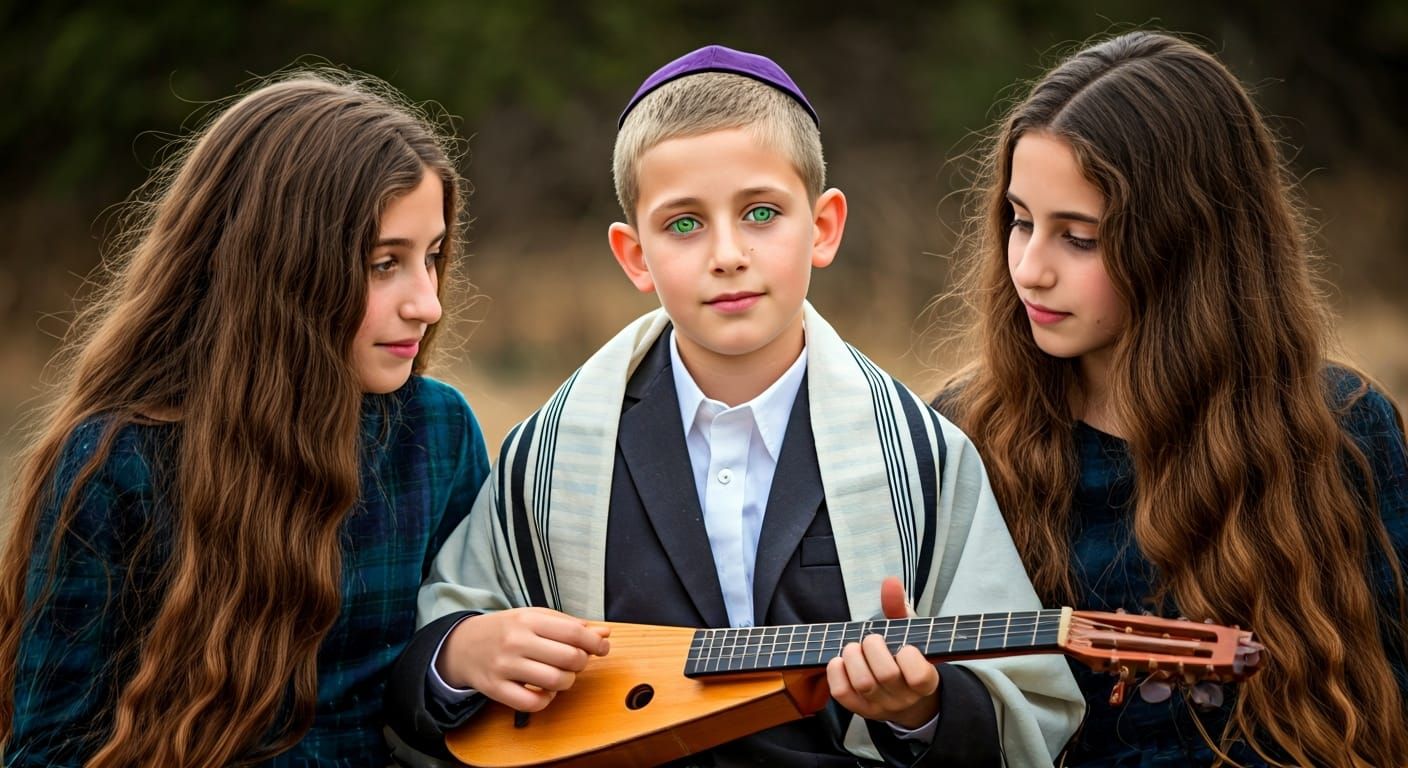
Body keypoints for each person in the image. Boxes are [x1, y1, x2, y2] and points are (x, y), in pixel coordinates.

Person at [386, 45, 1083, 767]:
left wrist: (919, 713)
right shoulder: (552, 456)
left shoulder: (923, 458)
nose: (726, 254)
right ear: (633, 255)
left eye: (760, 213)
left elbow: (1027, 704)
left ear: (823, 228)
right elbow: (430, 658)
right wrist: (460, 652)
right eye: (683, 224)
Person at [931, 30, 1408, 767]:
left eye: (1079, 238)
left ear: (1184, 242)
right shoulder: (961, 435)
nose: (1029, 268)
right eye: (1020, 221)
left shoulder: (1341, 428)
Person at [0, 73, 491, 766]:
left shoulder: (438, 433)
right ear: (284, 269)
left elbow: (458, 701)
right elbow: (47, 750)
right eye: (385, 264)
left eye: (432, 257)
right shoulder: (123, 463)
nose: (427, 303)